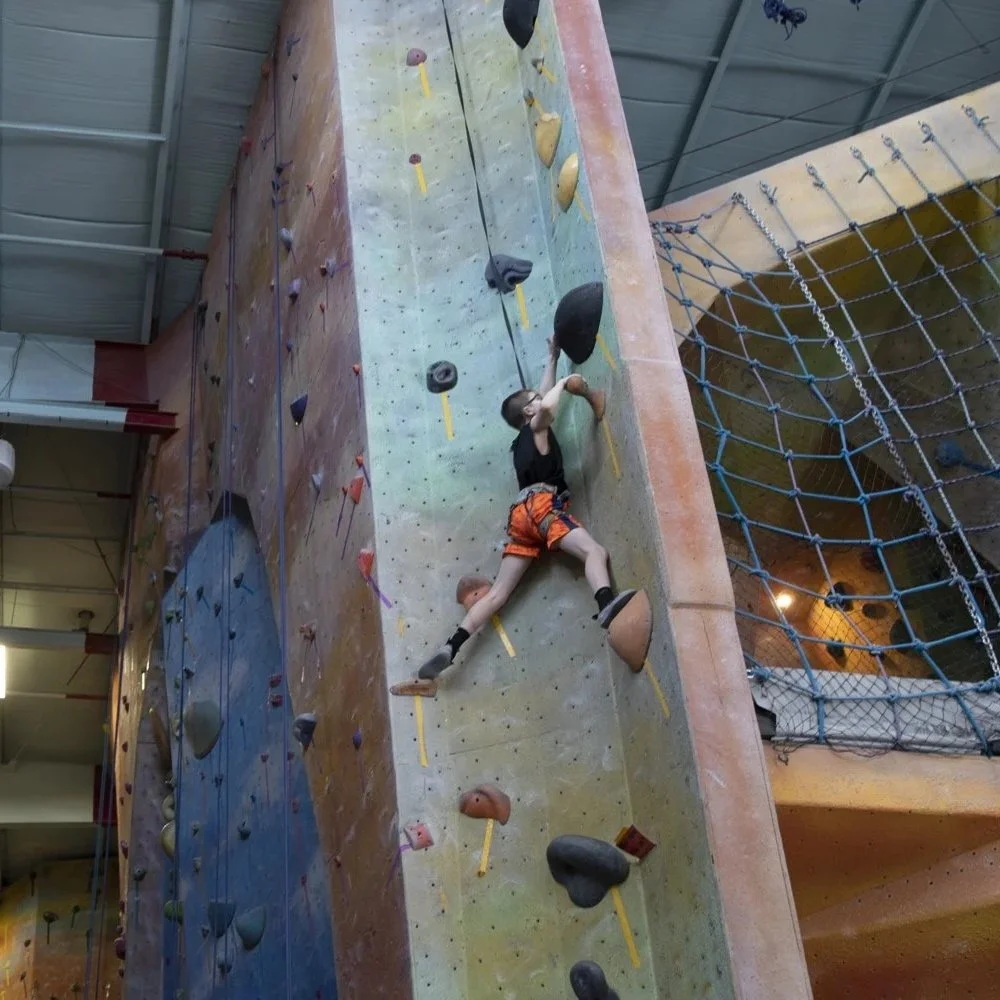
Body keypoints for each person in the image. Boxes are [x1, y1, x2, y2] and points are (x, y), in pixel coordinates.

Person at [415, 337, 637, 682]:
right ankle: (606, 602)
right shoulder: (537, 426)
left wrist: (552, 358)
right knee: (595, 551)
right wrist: (566, 383)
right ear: (529, 413)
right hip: (543, 507)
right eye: (534, 400)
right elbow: (546, 407)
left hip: (520, 516)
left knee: (499, 594)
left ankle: (452, 646)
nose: (540, 397)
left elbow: (540, 398)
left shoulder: (521, 440)